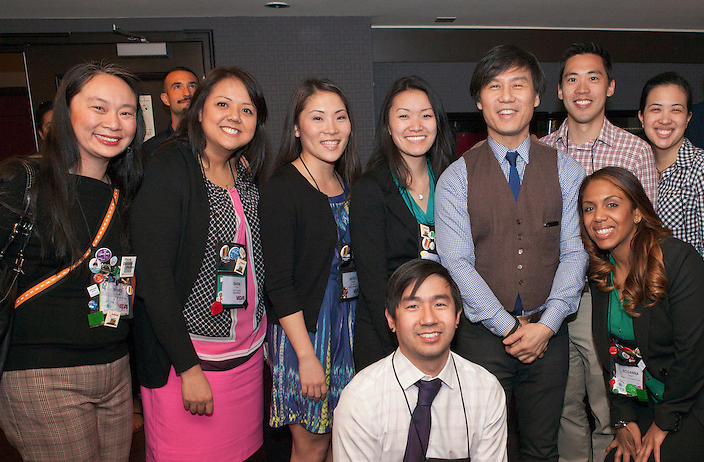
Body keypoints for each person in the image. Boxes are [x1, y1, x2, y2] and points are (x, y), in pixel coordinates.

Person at [435, 45, 588, 462]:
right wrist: (507, 327)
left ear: (537, 96)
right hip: (483, 339)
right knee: (484, 450)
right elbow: (456, 263)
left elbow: (575, 253)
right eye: (494, 86)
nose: (506, 97)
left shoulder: (568, 171)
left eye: (517, 85)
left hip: (548, 334)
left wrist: (548, 324)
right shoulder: (455, 178)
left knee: (543, 449)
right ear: (479, 100)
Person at [0, 62, 144, 461]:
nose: (113, 122)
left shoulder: (126, 193)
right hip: (41, 373)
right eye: (98, 108)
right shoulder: (24, 179)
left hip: (115, 369)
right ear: (67, 112)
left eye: (126, 112)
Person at [130, 67, 268, 461]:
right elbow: (153, 279)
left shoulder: (243, 172)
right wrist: (189, 369)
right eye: (223, 104)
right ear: (200, 108)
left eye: (247, 110)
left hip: (244, 357)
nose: (234, 117)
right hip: (187, 363)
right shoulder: (169, 167)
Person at [540, 43, 658, 462]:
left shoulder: (635, 150)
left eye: (593, 77)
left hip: (610, 293)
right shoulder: (543, 153)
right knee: (565, 407)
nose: (582, 87)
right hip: (554, 299)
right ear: (559, 89)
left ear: (610, 87)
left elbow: (646, 230)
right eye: (572, 78)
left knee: (613, 402)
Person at [260, 78, 361, 462]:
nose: (331, 128)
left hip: (348, 325)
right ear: (298, 127)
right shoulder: (283, 187)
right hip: (307, 333)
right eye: (318, 118)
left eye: (340, 117)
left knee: (345, 439)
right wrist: (305, 356)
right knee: (312, 446)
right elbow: (279, 282)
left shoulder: (346, 181)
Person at [579, 166, 704, 462]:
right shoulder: (601, 275)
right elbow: (617, 357)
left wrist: (664, 422)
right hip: (646, 403)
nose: (598, 216)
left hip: (691, 401)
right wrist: (623, 420)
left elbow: (694, 354)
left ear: (636, 212)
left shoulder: (678, 260)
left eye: (612, 204)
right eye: (588, 208)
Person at [333, 258, 508, 461]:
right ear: (391, 319)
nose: (429, 319)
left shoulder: (485, 390)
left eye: (440, 304)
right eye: (413, 306)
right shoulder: (361, 399)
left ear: (458, 316)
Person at [350, 76, 456, 371]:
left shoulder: (452, 180)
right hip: (386, 334)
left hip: (440, 329)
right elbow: (372, 282)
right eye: (404, 115)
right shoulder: (371, 188)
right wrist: (400, 343)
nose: (416, 125)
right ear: (388, 125)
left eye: (426, 115)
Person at [638, 72, 704, 258]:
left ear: (688, 118)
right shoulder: (633, 168)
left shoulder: (699, 169)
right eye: (656, 109)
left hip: (690, 284)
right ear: (641, 116)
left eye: (676, 110)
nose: (665, 119)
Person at [141, 66, 199, 158]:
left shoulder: (215, 142)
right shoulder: (153, 149)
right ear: (165, 99)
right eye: (177, 87)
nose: (187, 93)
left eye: (192, 86)